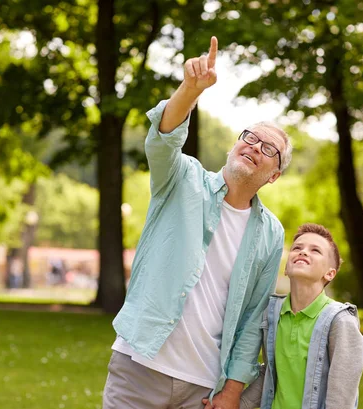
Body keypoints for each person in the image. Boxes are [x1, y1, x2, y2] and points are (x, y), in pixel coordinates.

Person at [102, 35, 293, 409]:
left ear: (274, 176)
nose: (255, 146)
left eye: (268, 149)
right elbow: (163, 140)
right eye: (250, 138)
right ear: (233, 146)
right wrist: (190, 90)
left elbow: (253, 317)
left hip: (204, 386)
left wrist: (232, 390)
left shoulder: (271, 233)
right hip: (139, 367)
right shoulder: (182, 178)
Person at [211, 223, 363, 409]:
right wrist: (235, 403)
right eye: (297, 248)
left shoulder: (340, 321)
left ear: (330, 273)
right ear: (286, 268)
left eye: (315, 250)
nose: (303, 252)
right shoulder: (273, 314)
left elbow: (341, 396)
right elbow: (271, 373)